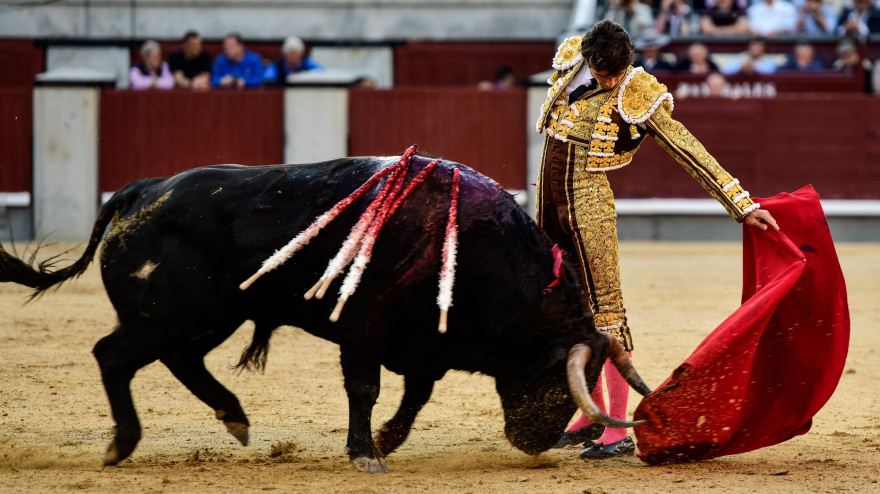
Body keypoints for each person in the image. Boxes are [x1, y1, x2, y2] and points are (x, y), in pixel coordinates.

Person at [536, 20, 777, 459]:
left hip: (588, 208)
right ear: (589, 61)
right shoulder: (574, 60)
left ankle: (616, 431)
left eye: (615, 73)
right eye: (603, 73)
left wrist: (740, 204)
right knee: (563, 308)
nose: (609, 81)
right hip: (549, 206)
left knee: (605, 313)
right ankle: (591, 414)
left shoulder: (638, 90)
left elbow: (687, 147)